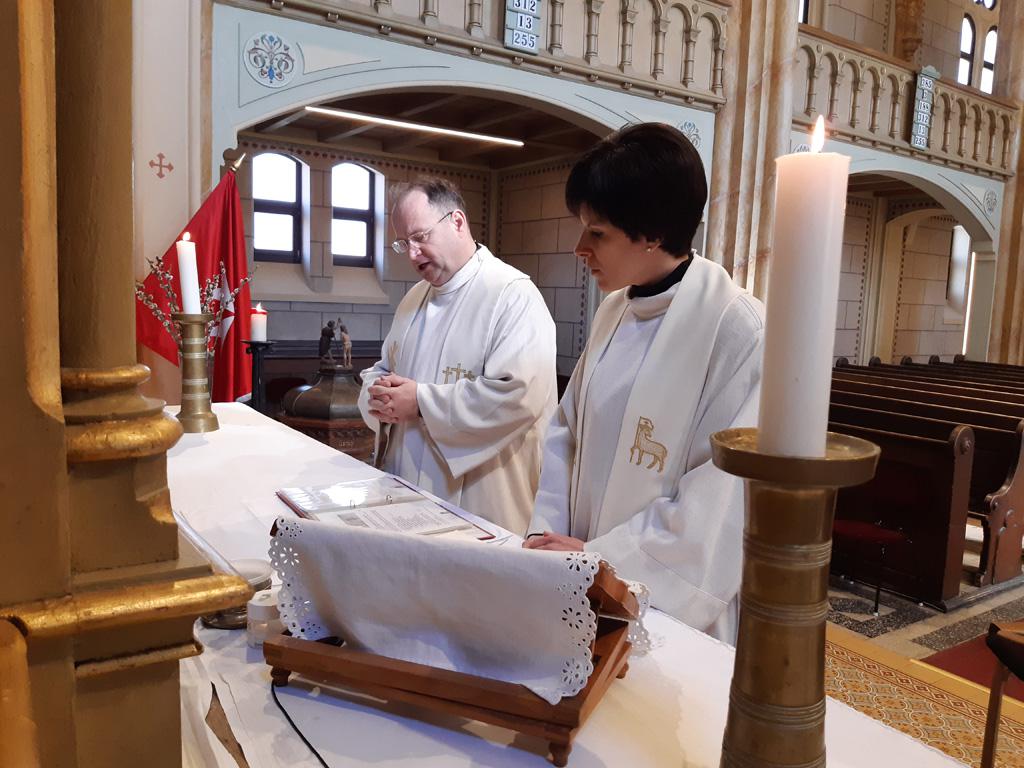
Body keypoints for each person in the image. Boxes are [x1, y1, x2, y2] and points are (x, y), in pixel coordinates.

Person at [523, 123, 765, 644]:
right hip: (577, 576)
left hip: (665, 605)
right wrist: (550, 538)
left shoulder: (738, 330)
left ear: (653, 234)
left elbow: (719, 500)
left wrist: (602, 563)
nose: (579, 248)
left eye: (598, 233)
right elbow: (566, 432)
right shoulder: (614, 311)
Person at [359, 178, 557, 534]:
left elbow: (518, 397)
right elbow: (384, 368)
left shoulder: (513, 295)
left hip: (483, 501)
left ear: (457, 222)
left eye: (420, 237)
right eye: (404, 243)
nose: (413, 254)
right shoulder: (414, 298)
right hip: (406, 496)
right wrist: (378, 393)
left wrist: (420, 403)